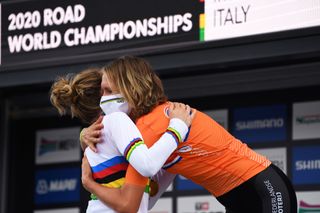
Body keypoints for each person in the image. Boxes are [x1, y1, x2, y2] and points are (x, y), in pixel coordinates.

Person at [81, 55, 298, 213]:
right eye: (102, 92)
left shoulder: (150, 127)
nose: (104, 100)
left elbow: (130, 203)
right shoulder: (144, 127)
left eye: (109, 91)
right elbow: (148, 194)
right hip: (237, 198)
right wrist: (83, 135)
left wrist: (90, 183)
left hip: (264, 189)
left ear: (131, 88)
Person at [50, 67, 195, 213]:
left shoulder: (97, 136)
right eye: (114, 88)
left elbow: (142, 201)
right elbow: (148, 166)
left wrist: (173, 162)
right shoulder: (117, 120)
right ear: (103, 96)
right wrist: (178, 128)